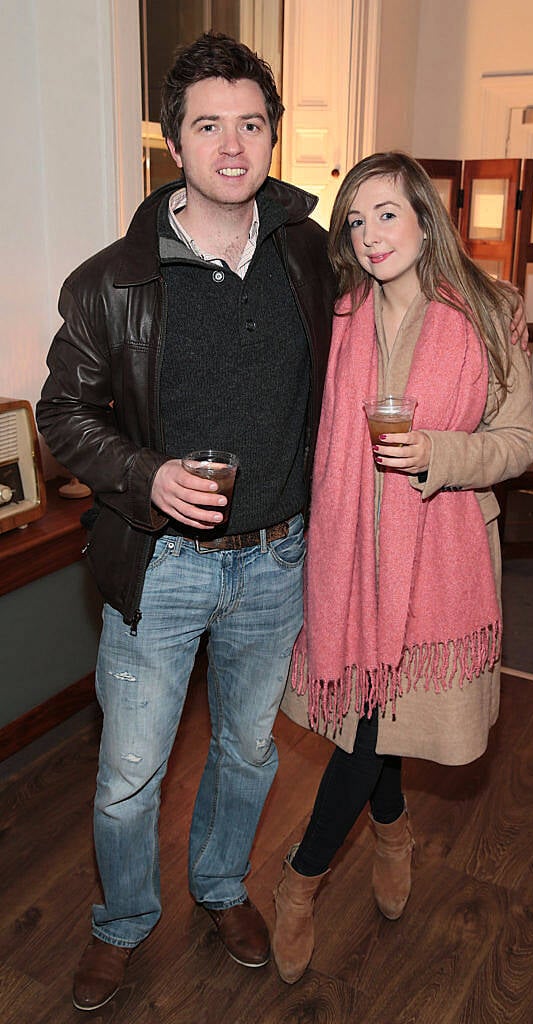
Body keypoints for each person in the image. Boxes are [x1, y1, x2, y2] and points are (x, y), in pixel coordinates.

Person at [36, 32, 336, 1012]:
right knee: (130, 771)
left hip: (276, 557)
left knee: (249, 750)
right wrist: (146, 473)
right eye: (210, 125)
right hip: (159, 563)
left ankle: (218, 885)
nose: (233, 144)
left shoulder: (308, 256)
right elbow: (62, 417)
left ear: (271, 135)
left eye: (251, 123)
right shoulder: (110, 281)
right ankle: (122, 922)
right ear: (176, 144)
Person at [272, 151, 533, 985]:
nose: (370, 233)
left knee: (374, 722)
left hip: (437, 558)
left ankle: (299, 879)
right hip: (350, 558)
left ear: (425, 217)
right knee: (371, 722)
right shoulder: (337, 313)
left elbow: (520, 441)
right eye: (355, 219)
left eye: (387, 213)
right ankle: (386, 830)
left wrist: (443, 453)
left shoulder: (490, 312)